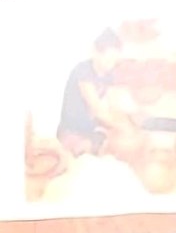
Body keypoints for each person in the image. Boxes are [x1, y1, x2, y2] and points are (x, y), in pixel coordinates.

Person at [56, 28, 131, 156]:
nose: (111, 65)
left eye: (114, 61)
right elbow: (98, 110)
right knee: (90, 152)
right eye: (108, 60)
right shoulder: (83, 71)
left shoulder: (108, 73)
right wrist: (124, 128)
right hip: (71, 131)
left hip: (90, 128)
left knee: (116, 143)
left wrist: (128, 118)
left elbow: (113, 105)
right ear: (95, 52)